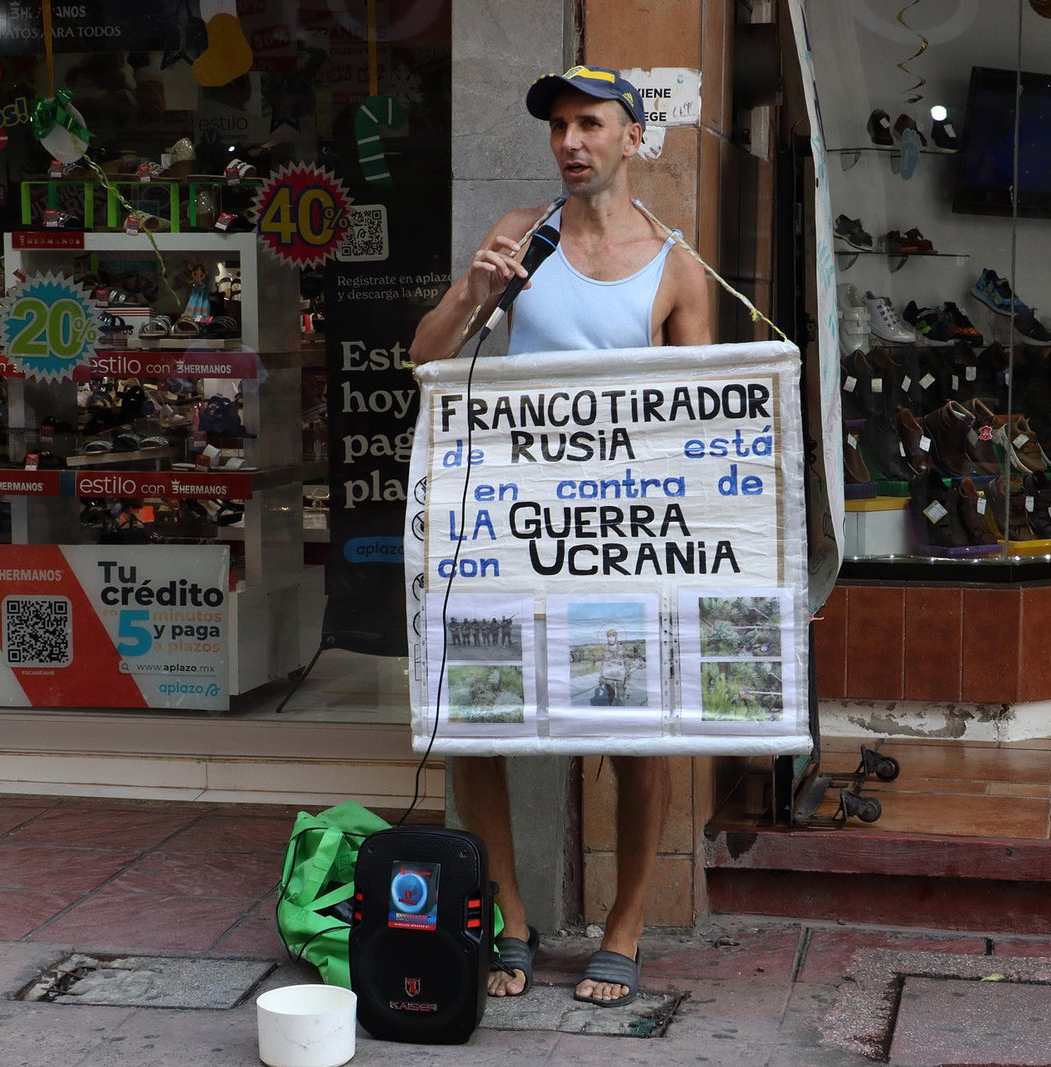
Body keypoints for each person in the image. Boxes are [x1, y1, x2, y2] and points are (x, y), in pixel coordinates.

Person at [409, 64, 711, 1007]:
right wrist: (472, 292)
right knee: (480, 721)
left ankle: (623, 928)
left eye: (590, 124)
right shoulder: (518, 235)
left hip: (620, 537)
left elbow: (702, 415)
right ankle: (511, 916)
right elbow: (426, 356)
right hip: (510, 525)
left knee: (638, 737)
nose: (571, 142)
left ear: (632, 136)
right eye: (558, 128)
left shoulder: (676, 264)